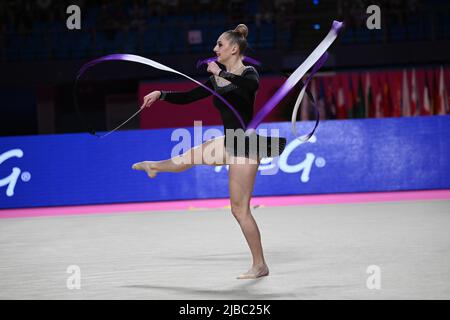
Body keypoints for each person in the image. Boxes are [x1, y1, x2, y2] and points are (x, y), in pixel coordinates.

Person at [133, 24, 286, 279]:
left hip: (245, 145)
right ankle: (154, 166)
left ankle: (260, 265)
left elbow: (244, 93)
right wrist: (160, 94)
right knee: (187, 157)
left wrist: (219, 73)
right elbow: (189, 97)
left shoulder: (250, 74)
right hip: (229, 140)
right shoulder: (218, 76)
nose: (215, 49)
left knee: (239, 210)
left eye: (220, 45)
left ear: (234, 48)